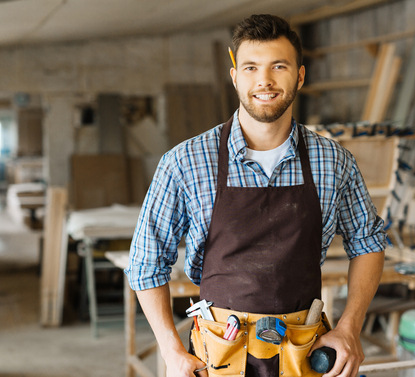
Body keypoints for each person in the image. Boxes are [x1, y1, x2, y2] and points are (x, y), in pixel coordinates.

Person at [125, 14, 386, 377]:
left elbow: (368, 242)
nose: (264, 80)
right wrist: (171, 350)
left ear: (300, 75)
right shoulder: (185, 162)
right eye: (250, 67)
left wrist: (349, 328)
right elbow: (145, 263)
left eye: (279, 66)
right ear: (235, 77)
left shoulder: (334, 162)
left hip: (304, 353)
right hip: (218, 356)